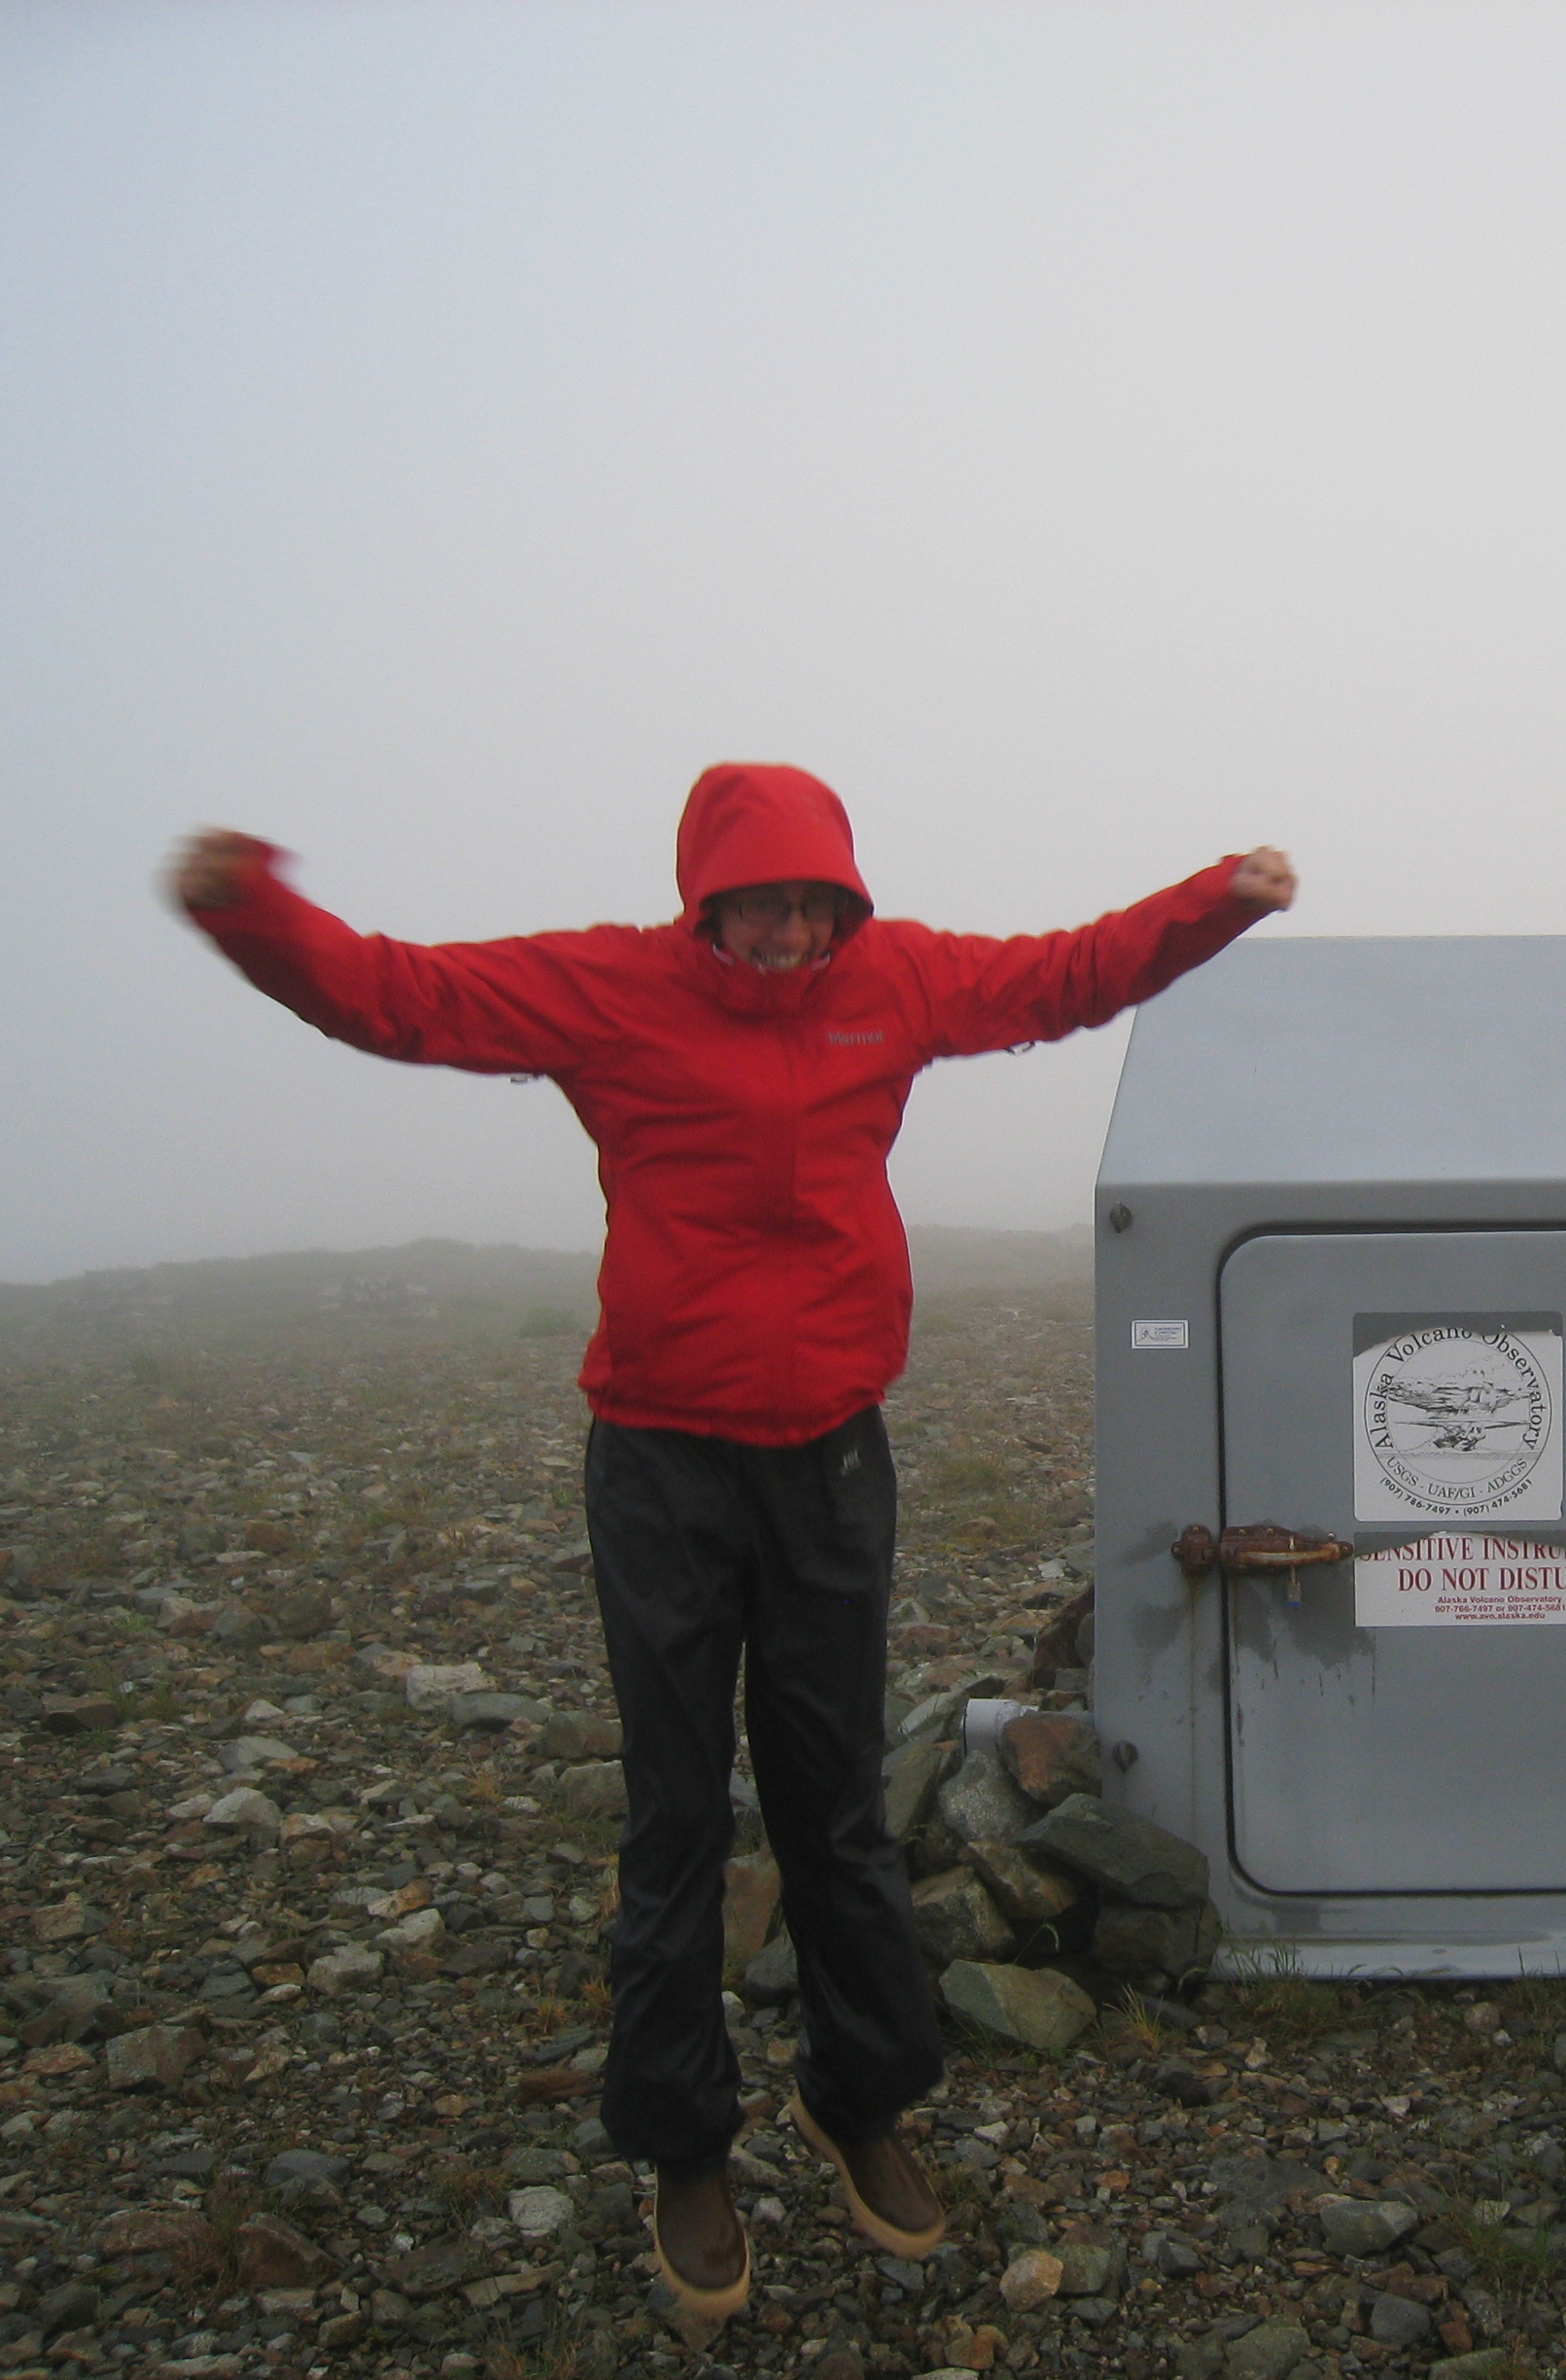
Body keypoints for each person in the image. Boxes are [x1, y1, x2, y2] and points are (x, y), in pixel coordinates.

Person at [170, 764, 1297, 2317]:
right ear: (705, 902)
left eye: (815, 908)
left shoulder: (895, 981)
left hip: (829, 1457)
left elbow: (1063, 977)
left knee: (833, 1802)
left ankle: (861, 2100)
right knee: (676, 1812)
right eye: (760, 907)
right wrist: (251, 912)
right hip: (663, 1461)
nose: (790, 937)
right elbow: (399, 999)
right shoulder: (606, 988)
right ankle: (684, 2144)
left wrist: (1214, 904)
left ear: (847, 902)